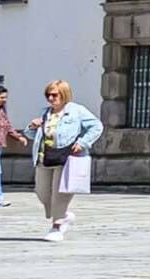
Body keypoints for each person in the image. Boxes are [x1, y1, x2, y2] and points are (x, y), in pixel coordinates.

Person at [28, 78, 103, 240]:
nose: (50, 98)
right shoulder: (45, 113)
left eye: (54, 95)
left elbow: (96, 126)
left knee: (59, 194)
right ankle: (63, 214)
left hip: (66, 157)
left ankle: (57, 226)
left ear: (64, 94)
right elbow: (34, 135)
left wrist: (83, 142)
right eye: (48, 95)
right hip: (44, 157)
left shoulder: (76, 111)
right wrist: (32, 127)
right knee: (42, 192)